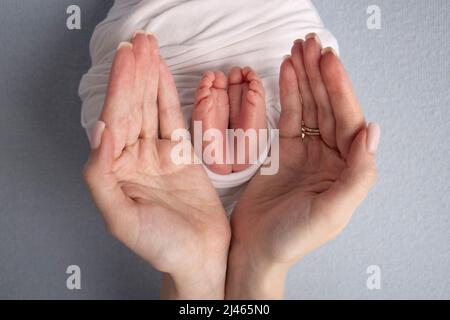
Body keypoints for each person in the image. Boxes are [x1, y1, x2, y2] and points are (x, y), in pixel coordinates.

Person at [80, 1, 380, 299]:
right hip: (161, 145)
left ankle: (231, 159)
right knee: (133, 125)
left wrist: (199, 273)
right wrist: (256, 266)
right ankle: (224, 163)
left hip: (266, 60)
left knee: (130, 121)